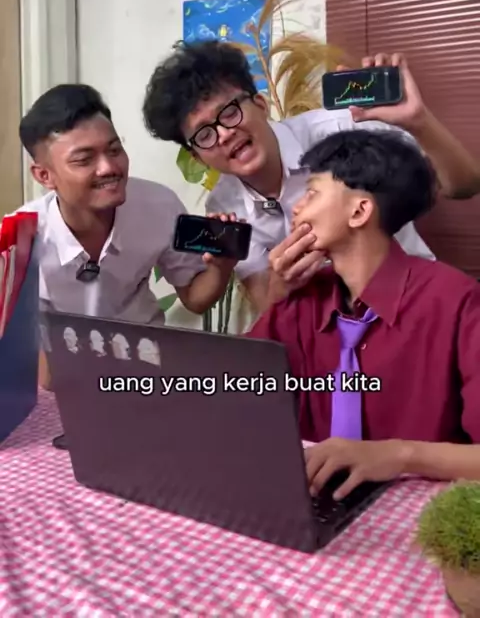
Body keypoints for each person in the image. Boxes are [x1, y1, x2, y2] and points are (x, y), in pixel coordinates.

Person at [142, 40, 480, 313]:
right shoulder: (226, 205)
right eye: (204, 134)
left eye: (229, 113)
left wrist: (419, 122)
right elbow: (268, 305)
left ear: (260, 104)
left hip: (414, 303)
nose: (224, 134)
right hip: (333, 333)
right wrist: (281, 282)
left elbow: (464, 185)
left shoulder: (344, 128)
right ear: (196, 155)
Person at [246, 129, 480, 499]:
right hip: (317, 501)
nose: (297, 207)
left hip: (421, 512)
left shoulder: (457, 302)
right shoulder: (301, 300)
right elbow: (233, 392)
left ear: (359, 211)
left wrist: (399, 455)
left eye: (312, 193)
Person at [11, 84, 236, 383]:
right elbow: (31, 355)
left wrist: (221, 268)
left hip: (147, 369)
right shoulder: (19, 241)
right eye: (84, 160)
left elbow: (195, 298)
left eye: (114, 150)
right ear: (44, 175)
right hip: (64, 379)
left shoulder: (159, 205)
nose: (108, 168)